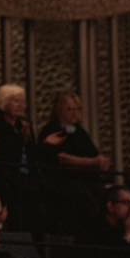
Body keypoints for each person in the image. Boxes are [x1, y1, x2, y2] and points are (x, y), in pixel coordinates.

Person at [38, 91, 111, 235]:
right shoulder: (52, 130)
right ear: (59, 110)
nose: (74, 113)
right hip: (62, 182)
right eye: (69, 109)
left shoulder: (80, 132)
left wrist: (102, 162)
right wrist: (92, 162)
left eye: (77, 109)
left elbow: (94, 155)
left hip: (87, 180)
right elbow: (62, 158)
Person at [0, 84, 38, 231]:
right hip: (6, 175)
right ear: (4, 102)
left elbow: (31, 154)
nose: (21, 106)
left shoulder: (23, 126)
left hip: (25, 175)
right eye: (16, 101)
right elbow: (4, 154)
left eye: (23, 102)